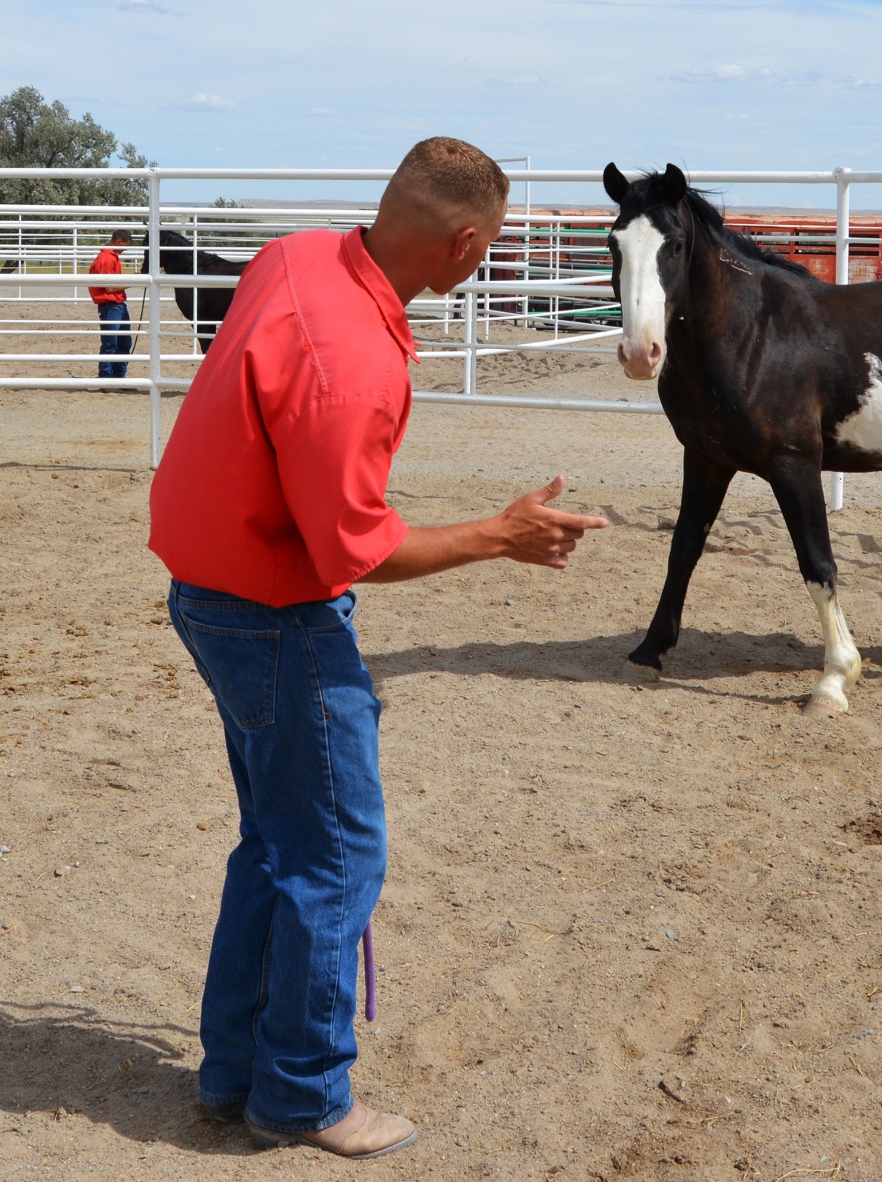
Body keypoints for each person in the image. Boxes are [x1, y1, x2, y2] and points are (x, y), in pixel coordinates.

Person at [147, 137, 607, 1161]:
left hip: (208, 585)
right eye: (487, 251)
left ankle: (236, 1072)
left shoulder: (297, 255)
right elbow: (350, 548)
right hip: (275, 610)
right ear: (466, 242)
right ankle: (304, 1095)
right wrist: (503, 534)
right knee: (336, 851)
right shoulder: (349, 361)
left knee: (274, 839)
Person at [88, 228, 133, 388]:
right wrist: (131, 282)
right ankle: (109, 377)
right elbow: (110, 287)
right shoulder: (107, 259)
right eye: (125, 245)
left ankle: (115, 377)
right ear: (119, 241)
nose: (124, 249)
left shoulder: (109, 257)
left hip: (115, 304)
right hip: (111, 304)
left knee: (121, 342)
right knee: (113, 342)